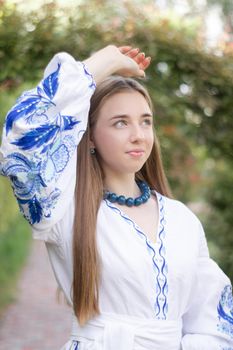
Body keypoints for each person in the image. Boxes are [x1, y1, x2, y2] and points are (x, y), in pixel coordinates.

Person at [0, 44, 232, 350]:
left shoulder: (182, 219)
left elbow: (213, 316)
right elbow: (22, 137)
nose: (138, 134)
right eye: (120, 122)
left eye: (145, 121)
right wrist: (102, 62)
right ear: (91, 136)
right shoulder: (64, 209)